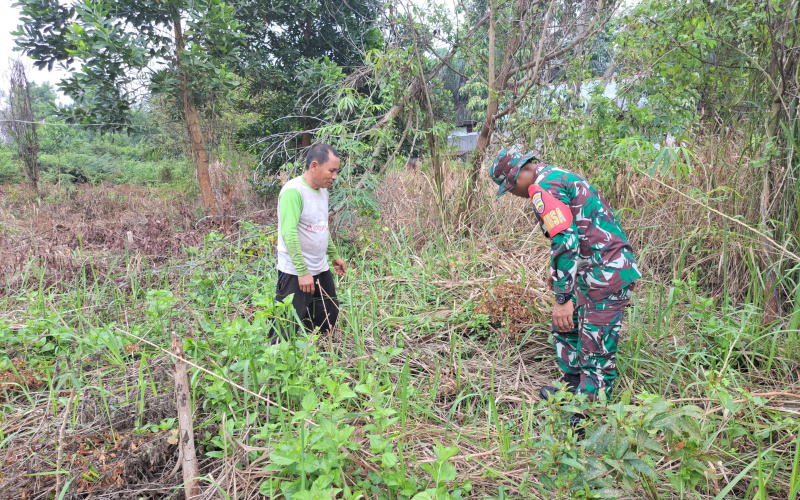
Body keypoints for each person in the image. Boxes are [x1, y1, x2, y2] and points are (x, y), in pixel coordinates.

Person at [489, 148, 640, 409]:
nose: (515, 194)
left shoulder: (542, 187)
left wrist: (562, 298)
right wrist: (556, 271)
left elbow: (566, 240)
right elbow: (576, 229)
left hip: (605, 273)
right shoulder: (557, 176)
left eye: (511, 187)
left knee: (596, 351)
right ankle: (572, 392)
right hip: (589, 268)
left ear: (521, 172)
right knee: (565, 328)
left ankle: (585, 421)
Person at [273, 143, 347, 341]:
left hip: (319, 267)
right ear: (314, 165)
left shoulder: (322, 191)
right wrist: (303, 272)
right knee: (286, 325)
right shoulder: (293, 192)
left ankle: (316, 356)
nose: (334, 177)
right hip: (295, 271)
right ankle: (276, 359)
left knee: (327, 314)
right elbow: (288, 233)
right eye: (331, 171)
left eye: (336, 171)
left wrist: (334, 255)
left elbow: (321, 226)